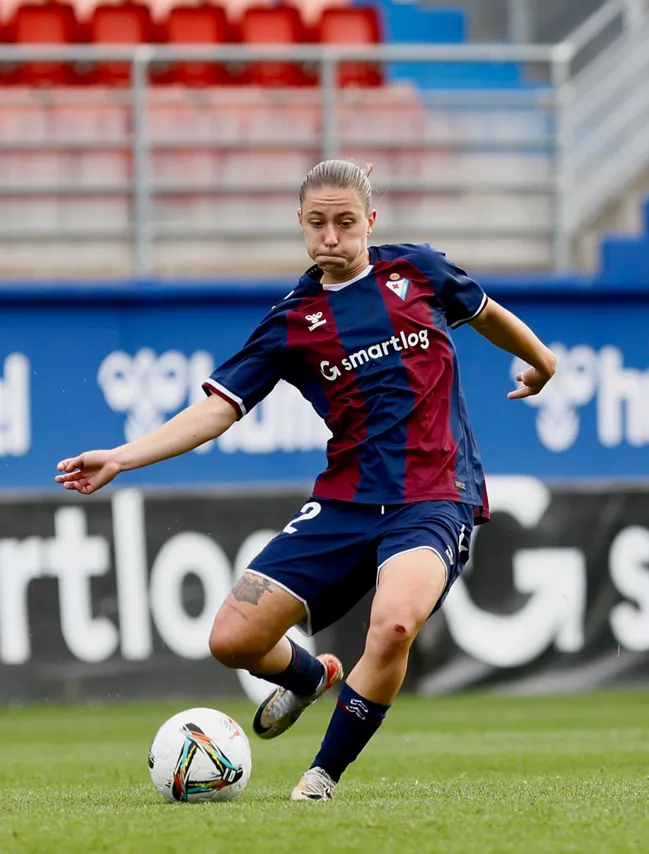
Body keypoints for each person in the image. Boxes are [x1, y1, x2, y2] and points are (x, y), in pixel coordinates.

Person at [55, 160, 557, 802]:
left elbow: (486, 313)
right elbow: (217, 410)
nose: (330, 236)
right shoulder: (294, 321)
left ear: (369, 222)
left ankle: (321, 776)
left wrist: (540, 361)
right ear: (300, 224)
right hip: (345, 502)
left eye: (345, 223)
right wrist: (123, 457)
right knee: (231, 641)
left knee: (395, 626)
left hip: (434, 496)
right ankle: (310, 678)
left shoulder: (419, 272)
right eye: (317, 223)